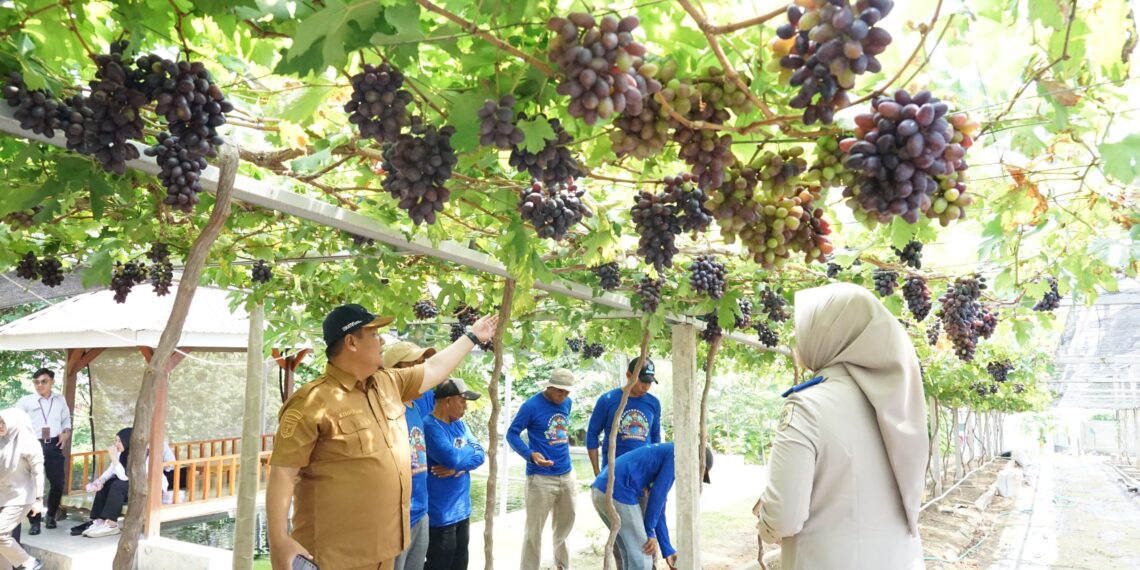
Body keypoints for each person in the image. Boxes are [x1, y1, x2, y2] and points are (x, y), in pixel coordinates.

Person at [268, 304, 498, 570]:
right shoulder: (311, 403)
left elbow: (435, 368)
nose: (382, 340)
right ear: (351, 342)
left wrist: (472, 336)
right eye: (374, 334)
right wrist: (278, 540)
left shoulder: (388, 384)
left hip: (384, 553)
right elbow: (282, 474)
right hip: (334, 557)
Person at [754, 283, 927, 570]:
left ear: (827, 334)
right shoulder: (898, 406)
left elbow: (784, 517)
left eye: (803, 328)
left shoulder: (807, 406)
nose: (796, 339)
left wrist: (766, 521)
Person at [590, 442, 712, 570]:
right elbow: (658, 496)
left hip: (601, 490)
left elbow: (659, 505)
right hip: (616, 491)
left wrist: (667, 549)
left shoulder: (670, 451)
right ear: (694, 462)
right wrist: (650, 532)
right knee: (643, 555)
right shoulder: (676, 456)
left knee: (630, 554)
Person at [506, 368, 578, 570]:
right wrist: (530, 454)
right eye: (559, 392)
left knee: (564, 529)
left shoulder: (567, 404)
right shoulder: (531, 406)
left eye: (566, 392)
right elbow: (512, 434)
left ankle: (562, 566)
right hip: (540, 478)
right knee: (534, 532)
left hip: (566, 473)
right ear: (549, 387)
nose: (563, 396)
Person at [385, 342, 438, 570]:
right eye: (414, 364)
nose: (421, 370)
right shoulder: (385, 409)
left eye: (422, 364)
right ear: (395, 371)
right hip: (394, 517)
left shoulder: (416, 405)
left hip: (421, 511)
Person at [423, 379, 484, 570]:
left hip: (462, 510)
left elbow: (481, 453)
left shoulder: (460, 425)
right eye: (462, 402)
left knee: (460, 564)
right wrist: (461, 459)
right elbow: (451, 458)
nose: (465, 408)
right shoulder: (430, 426)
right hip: (440, 514)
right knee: (439, 564)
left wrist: (460, 467)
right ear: (447, 401)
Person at [16, 368, 71, 534]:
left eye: (43, 381)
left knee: (57, 483)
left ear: (52, 381)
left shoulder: (60, 400)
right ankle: (34, 521)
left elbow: (66, 419)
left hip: (54, 444)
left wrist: (66, 432)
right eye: (36, 382)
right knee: (33, 484)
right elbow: (15, 421)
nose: (39, 385)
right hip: (33, 444)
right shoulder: (26, 401)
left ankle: (51, 515)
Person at [586, 357, 662, 476]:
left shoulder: (654, 403)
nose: (646, 387)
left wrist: (654, 472)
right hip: (614, 472)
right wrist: (597, 473)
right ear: (628, 375)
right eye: (642, 381)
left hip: (643, 473)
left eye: (649, 382)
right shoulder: (608, 400)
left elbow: (655, 437)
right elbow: (592, 435)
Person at [0, 408, 45, 570]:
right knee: (2, 544)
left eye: (4, 422)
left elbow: (39, 472)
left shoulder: (29, 442)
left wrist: (39, 500)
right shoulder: (3, 441)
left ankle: (29, 562)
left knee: (0, 534)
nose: (0, 425)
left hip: (21, 497)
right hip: (3, 496)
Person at [70, 428, 134, 538]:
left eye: (119, 441)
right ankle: (99, 520)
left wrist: (113, 457)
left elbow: (124, 477)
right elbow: (111, 470)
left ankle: (112, 525)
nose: (116, 444)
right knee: (106, 485)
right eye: (115, 441)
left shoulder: (137, 455)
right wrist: (101, 480)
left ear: (127, 441)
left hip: (136, 488)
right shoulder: (120, 454)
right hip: (125, 487)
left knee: (116, 485)